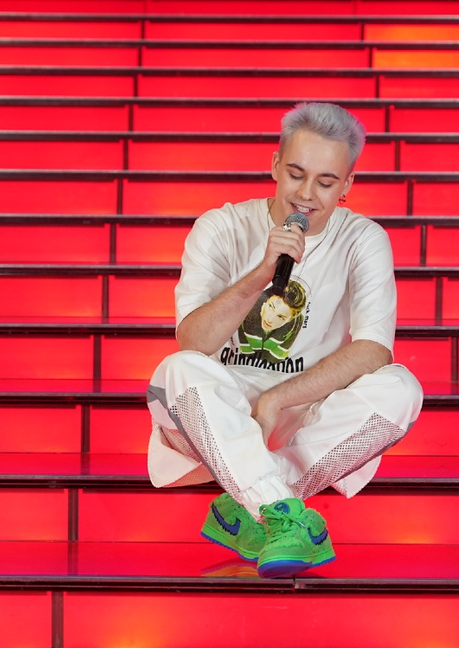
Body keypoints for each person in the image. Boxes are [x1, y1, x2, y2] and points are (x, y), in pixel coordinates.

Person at [146, 102, 423, 579]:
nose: (306, 194)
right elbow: (192, 341)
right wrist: (259, 275)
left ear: (347, 185)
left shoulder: (363, 239)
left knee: (402, 388)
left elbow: (373, 350)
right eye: (296, 174)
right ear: (275, 165)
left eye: (326, 182)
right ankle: (277, 504)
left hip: (298, 418)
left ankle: (252, 504)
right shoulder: (221, 227)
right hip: (215, 420)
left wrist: (277, 398)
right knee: (176, 369)